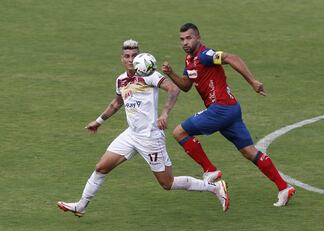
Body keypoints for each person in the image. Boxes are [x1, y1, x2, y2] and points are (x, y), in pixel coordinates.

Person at [57, 39, 230, 217]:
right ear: (122, 59)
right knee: (101, 167)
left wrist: (164, 114)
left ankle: (214, 187)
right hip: (131, 134)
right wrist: (98, 121)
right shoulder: (121, 80)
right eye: (127, 56)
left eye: (134, 55)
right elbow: (117, 103)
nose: (130, 59)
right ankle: (81, 205)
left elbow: (173, 89)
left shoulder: (149, 75)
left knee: (167, 183)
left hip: (150, 137)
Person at [161, 23, 295, 207]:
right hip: (231, 110)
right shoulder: (189, 60)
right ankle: (284, 187)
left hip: (220, 109)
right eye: (182, 39)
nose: (185, 42)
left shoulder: (205, 55)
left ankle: (210, 170)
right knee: (249, 152)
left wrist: (252, 81)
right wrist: (171, 74)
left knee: (179, 132)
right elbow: (185, 85)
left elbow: (232, 58)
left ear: (198, 37)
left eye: (189, 38)